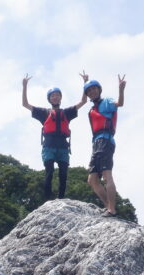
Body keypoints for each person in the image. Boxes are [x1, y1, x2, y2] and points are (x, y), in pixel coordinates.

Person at [22, 74, 87, 200]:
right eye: (53, 95)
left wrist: (85, 82)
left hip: (63, 147)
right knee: (49, 172)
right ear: (49, 99)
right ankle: (48, 199)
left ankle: (61, 198)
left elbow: (83, 101)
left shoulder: (66, 113)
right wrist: (24, 86)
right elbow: (25, 104)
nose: (55, 97)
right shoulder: (44, 113)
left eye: (57, 95)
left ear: (60, 98)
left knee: (63, 174)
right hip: (49, 147)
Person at [81, 72, 126, 217]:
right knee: (92, 179)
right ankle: (108, 206)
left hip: (105, 141)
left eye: (94, 89)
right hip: (97, 143)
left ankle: (112, 209)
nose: (92, 92)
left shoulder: (106, 102)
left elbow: (119, 103)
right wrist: (86, 82)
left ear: (99, 90)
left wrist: (121, 90)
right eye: (89, 91)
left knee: (106, 176)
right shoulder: (92, 109)